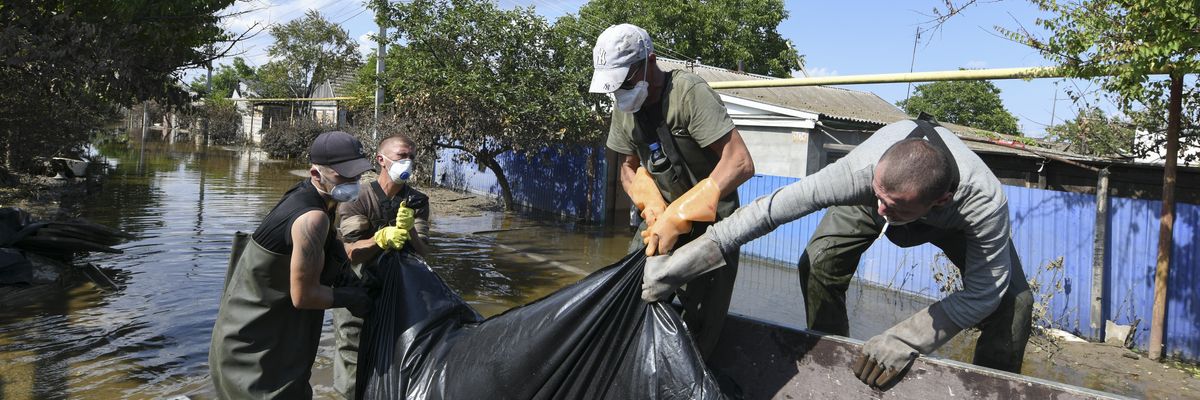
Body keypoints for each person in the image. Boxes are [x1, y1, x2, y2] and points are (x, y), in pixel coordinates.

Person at [641, 117, 1034, 388]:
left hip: (949, 220)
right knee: (819, 262)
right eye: (879, 197)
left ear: (941, 200)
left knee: (1014, 303)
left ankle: (992, 389)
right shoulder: (861, 174)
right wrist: (679, 267)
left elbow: (984, 291)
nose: (882, 212)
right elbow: (769, 211)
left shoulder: (981, 202)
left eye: (892, 207)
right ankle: (838, 357)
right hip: (887, 186)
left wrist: (906, 339)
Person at [589, 23, 755, 359]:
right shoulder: (624, 106)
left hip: (712, 227)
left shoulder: (688, 93)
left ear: (649, 60)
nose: (620, 91)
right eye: (614, 85)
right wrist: (651, 205)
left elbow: (739, 162)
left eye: (626, 80)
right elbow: (627, 167)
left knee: (700, 324)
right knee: (633, 294)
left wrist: (682, 214)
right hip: (658, 222)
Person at [209, 131, 375, 399]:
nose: (353, 182)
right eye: (342, 175)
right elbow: (304, 296)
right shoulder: (312, 218)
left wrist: (376, 244)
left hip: (252, 336)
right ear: (315, 173)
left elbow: (335, 252)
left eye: (356, 175)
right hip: (254, 354)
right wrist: (351, 297)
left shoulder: (318, 200)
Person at [331, 133, 432, 399]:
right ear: (381, 160)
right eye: (401, 156)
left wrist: (409, 230)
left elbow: (423, 251)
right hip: (358, 287)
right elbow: (351, 253)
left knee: (397, 354)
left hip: (399, 289)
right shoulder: (357, 197)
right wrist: (382, 237)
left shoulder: (417, 200)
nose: (408, 162)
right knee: (352, 350)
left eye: (412, 157)